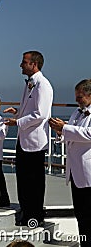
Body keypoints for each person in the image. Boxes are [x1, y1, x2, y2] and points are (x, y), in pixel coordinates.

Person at [3, 51, 53, 227]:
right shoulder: (31, 84)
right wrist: (18, 112)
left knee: (34, 181)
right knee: (23, 179)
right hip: (24, 140)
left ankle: (35, 215)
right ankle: (26, 212)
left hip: (35, 142)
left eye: (24, 62)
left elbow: (41, 114)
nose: (20, 65)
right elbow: (30, 110)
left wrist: (17, 122)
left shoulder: (43, 85)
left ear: (34, 64)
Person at [49, 79, 91, 247]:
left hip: (88, 172)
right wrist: (60, 131)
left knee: (89, 214)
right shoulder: (77, 113)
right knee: (80, 214)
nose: (77, 100)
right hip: (75, 171)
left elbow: (88, 134)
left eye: (80, 97)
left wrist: (65, 128)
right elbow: (71, 134)